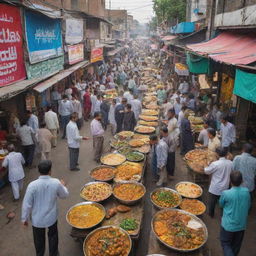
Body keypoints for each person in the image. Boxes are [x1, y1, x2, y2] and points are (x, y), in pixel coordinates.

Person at [21, 160, 69, 256]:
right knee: (53, 236)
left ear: (39, 171)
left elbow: (26, 204)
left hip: (37, 219)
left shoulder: (32, 185)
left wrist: (24, 219)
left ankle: (40, 254)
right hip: (51, 218)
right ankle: (53, 253)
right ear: (50, 171)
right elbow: (64, 195)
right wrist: (63, 186)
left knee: (39, 240)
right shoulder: (55, 182)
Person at [219, 171, 250, 256]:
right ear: (242, 181)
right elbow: (248, 206)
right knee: (236, 246)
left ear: (230, 181)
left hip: (228, 226)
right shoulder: (246, 192)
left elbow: (221, 204)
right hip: (241, 225)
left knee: (226, 244)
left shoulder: (226, 193)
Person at [204, 147, 233, 218]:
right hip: (225, 186)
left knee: (212, 202)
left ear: (217, 154)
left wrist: (206, 165)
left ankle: (211, 214)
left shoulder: (215, 164)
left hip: (215, 187)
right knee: (223, 202)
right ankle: (223, 215)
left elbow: (207, 171)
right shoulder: (231, 163)